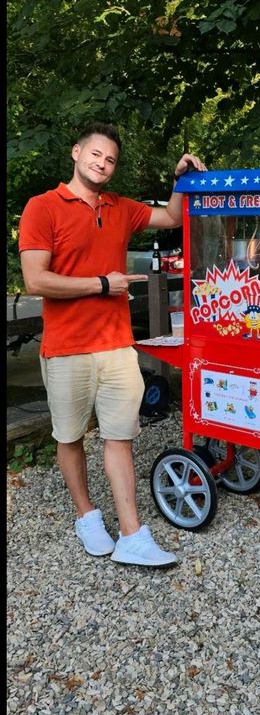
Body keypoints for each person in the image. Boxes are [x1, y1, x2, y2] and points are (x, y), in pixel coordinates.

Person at [19, 122, 206, 567]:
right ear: (76, 152)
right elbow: (35, 279)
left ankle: (132, 534)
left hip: (118, 345)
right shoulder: (42, 207)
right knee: (69, 436)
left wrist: (179, 180)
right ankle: (86, 514)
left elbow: (172, 218)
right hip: (66, 347)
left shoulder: (120, 207)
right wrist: (102, 284)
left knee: (120, 436)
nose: (102, 164)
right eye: (95, 154)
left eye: (110, 160)